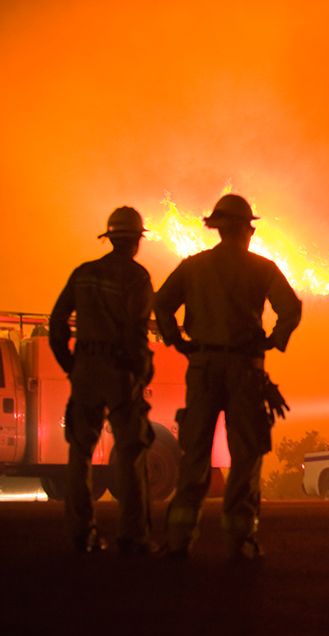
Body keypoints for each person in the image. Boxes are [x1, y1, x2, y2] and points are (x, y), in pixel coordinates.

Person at [154, 193, 301, 561]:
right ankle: (239, 540)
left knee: (195, 454)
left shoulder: (192, 267)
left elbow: (161, 305)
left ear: (217, 229)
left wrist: (177, 342)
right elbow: (291, 308)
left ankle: (178, 540)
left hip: (202, 369)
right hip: (245, 371)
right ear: (247, 230)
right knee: (246, 454)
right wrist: (273, 341)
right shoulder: (262, 268)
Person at [50, 206, 155, 555]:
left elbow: (57, 323)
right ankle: (133, 536)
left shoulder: (84, 274)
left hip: (86, 370)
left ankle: (82, 533)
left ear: (110, 238)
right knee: (129, 450)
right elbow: (137, 334)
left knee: (80, 451)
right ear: (136, 241)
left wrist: (71, 364)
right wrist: (140, 372)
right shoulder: (137, 278)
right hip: (120, 371)